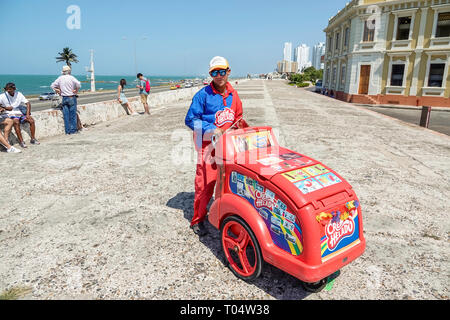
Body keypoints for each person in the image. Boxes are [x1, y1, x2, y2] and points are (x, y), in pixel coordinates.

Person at [184, 56, 245, 236]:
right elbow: (190, 119)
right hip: (208, 147)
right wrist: (212, 129)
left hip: (229, 146)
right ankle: (198, 219)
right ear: (211, 74)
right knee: (205, 184)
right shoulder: (203, 95)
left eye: (222, 71)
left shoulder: (234, 94)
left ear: (229, 71)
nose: (219, 76)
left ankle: (227, 215)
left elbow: (238, 117)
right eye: (214, 73)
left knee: (230, 183)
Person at [0, 83, 40, 148]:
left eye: (10, 89)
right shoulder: (2, 96)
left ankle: (33, 139)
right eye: (7, 90)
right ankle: (21, 141)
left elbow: (28, 103)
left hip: (18, 113)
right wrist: (3, 108)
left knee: (31, 120)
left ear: (14, 89)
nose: (8, 91)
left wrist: (27, 114)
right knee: (16, 121)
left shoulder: (19, 94)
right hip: (8, 114)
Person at [51, 65, 81, 135]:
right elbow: (79, 84)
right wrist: (76, 90)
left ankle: (67, 131)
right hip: (71, 97)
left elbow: (52, 85)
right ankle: (73, 131)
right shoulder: (71, 78)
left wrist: (58, 90)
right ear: (69, 71)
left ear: (63, 72)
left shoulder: (60, 78)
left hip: (64, 98)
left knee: (66, 115)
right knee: (72, 115)